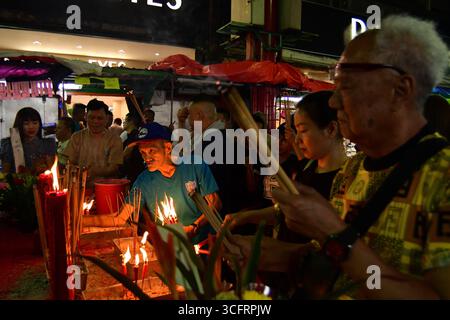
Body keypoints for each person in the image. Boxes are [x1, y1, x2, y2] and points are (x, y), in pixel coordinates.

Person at [230, 15, 450, 299]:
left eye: (346, 86)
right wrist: (270, 253)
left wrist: (333, 231)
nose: (333, 102)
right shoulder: (353, 169)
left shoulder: (442, 177)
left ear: (401, 90)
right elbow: (333, 261)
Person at [225, 91, 348, 243]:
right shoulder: (304, 167)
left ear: (331, 129)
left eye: (303, 131)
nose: (297, 139)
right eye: (297, 132)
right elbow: (285, 213)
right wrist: (245, 217)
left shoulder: (348, 179)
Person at [83, 122, 222, 244]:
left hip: (204, 243)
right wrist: (81, 221)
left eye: (151, 151)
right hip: (169, 247)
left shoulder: (194, 165)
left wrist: (194, 227)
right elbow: (120, 218)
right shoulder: (144, 181)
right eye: (142, 152)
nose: (146, 158)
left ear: (168, 148)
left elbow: (215, 204)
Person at [63, 99, 123, 183]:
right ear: (86, 117)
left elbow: (114, 168)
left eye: (100, 118)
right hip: (80, 187)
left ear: (107, 119)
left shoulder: (115, 140)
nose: (95, 121)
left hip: (106, 187)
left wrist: (92, 171)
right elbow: (70, 163)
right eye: (92, 117)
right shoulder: (76, 137)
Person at [1, 107, 56, 174]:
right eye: (26, 124)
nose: (31, 127)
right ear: (19, 125)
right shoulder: (9, 144)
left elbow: (52, 170)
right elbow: (5, 172)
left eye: (35, 123)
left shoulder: (48, 144)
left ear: (39, 124)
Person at [120, 113, 145, 183]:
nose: (123, 122)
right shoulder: (131, 135)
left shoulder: (134, 135)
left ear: (131, 122)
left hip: (135, 173)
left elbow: (126, 153)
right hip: (133, 173)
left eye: (125, 120)